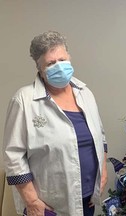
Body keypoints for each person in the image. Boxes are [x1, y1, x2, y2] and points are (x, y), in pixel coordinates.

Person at [3, 31, 108, 216]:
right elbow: (13, 155)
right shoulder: (24, 100)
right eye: (51, 63)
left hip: (87, 199)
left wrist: (104, 172)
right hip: (48, 206)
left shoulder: (85, 93)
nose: (59, 66)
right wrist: (32, 201)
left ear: (69, 58)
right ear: (40, 68)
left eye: (62, 59)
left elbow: (101, 136)